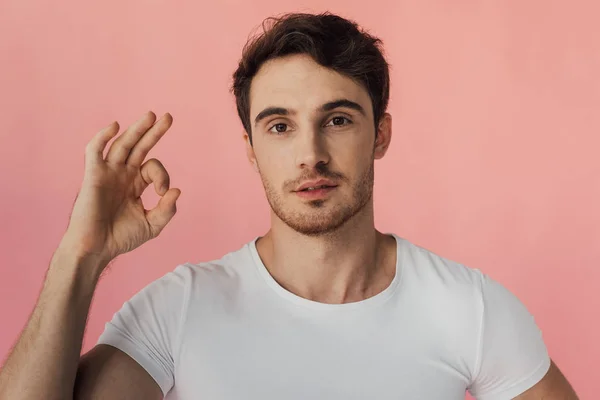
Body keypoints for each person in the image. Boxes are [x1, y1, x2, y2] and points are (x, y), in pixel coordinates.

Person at [0, 12, 578, 400]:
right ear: (251, 150)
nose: (311, 154)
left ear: (380, 135)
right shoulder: (180, 308)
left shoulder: (468, 309)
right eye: (280, 125)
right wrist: (81, 254)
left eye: (338, 120)